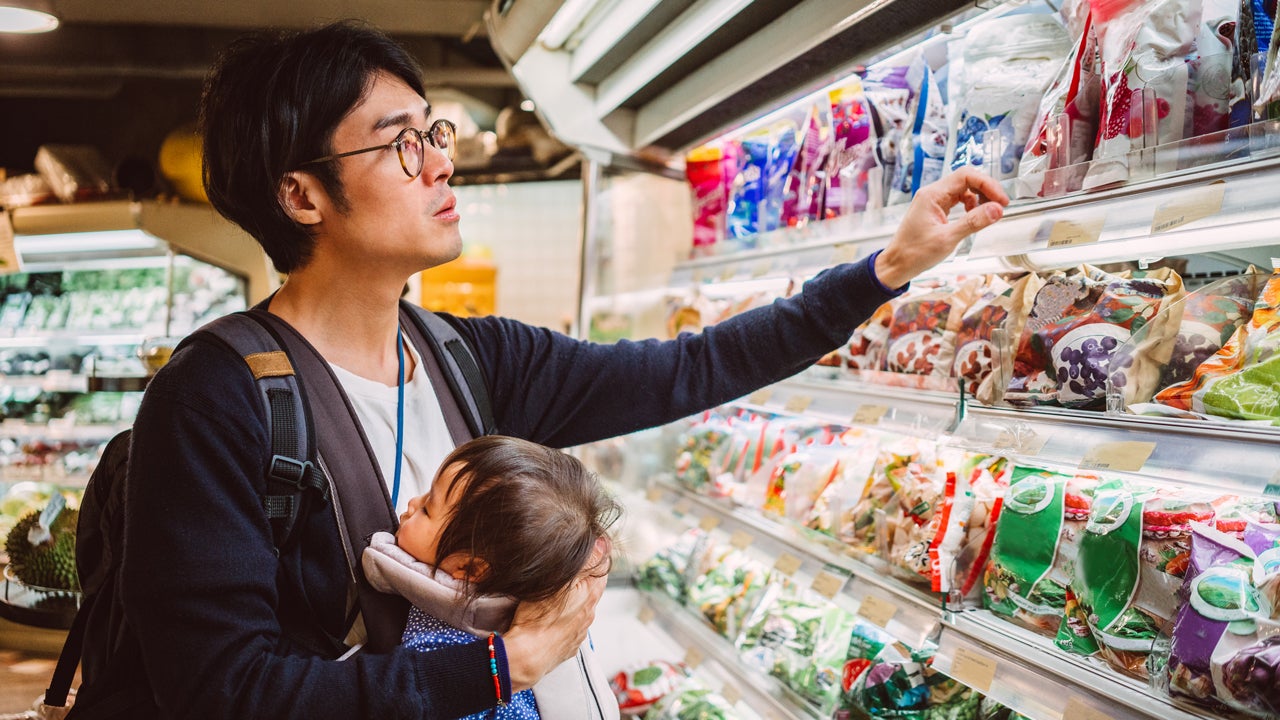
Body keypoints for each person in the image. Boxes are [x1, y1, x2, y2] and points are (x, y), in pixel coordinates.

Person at [114, 18, 1008, 720]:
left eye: (435, 132)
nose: (440, 163)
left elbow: (687, 370)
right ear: (301, 195)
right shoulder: (214, 400)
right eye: (399, 145)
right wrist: (499, 667)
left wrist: (883, 272)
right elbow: (224, 695)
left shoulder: (467, 358)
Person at [362, 435, 620, 720]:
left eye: (427, 509)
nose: (412, 503)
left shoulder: (443, 648)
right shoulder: (559, 609)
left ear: (470, 569)